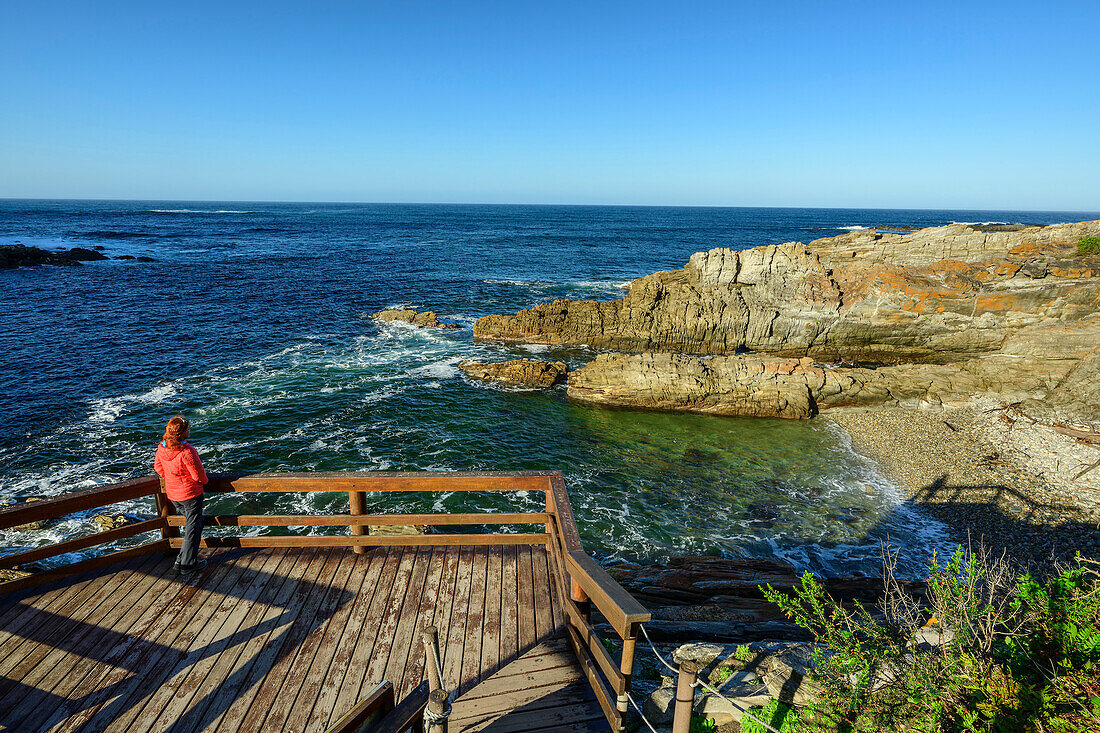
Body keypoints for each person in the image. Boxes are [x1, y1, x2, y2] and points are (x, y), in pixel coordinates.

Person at [154, 415, 209, 575]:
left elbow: (158, 468)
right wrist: (204, 482)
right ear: (183, 433)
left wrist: (172, 478)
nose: (190, 431)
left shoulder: (162, 448)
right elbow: (199, 475)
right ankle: (187, 564)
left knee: (193, 526)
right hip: (190, 495)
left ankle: (180, 560)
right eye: (188, 429)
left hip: (173, 495)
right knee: (193, 529)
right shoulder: (187, 451)